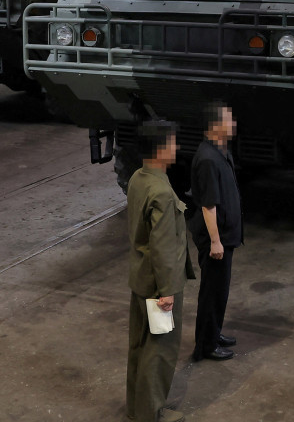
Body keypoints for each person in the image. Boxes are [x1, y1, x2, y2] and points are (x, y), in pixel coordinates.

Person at [126, 120, 194, 422]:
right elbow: (164, 245)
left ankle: (136, 408)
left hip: (141, 277)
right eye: (172, 142)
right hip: (159, 285)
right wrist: (167, 290)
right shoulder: (161, 192)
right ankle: (150, 413)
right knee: (160, 351)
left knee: (139, 347)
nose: (176, 148)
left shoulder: (138, 179)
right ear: (161, 148)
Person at [188, 100, 242, 361]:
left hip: (225, 235)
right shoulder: (208, 159)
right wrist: (215, 242)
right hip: (214, 239)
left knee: (220, 290)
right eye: (228, 119)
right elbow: (208, 205)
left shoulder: (222, 151)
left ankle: (214, 332)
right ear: (215, 126)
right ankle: (206, 346)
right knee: (211, 292)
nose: (233, 124)